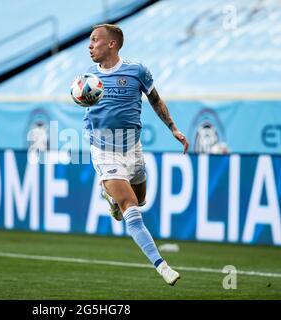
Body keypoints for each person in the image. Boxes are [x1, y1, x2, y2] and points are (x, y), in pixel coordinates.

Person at [84, 24, 189, 286]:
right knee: (131, 208)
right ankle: (162, 266)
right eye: (90, 41)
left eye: (95, 40)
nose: (90, 45)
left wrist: (173, 128)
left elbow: (155, 99)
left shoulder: (137, 71)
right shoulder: (87, 78)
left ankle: (111, 199)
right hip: (105, 151)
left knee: (139, 200)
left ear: (112, 44)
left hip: (133, 148)